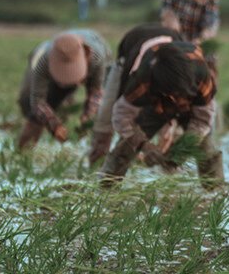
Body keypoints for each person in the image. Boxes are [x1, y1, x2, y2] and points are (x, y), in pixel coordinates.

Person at [88, 24, 222, 187]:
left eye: (177, 95)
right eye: (169, 94)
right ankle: (105, 189)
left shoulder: (201, 73)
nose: (174, 98)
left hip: (189, 100)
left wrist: (183, 147)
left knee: (205, 147)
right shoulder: (143, 79)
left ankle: (215, 191)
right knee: (125, 147)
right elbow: (122, 117)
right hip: (154, 100)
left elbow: (203, 119)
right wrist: (144, 145)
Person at [17, 29, 112, 150]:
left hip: (98, 61)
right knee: (32, 111)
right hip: (51, 73)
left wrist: (88, 117)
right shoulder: (43, 61)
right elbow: (37, 101)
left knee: (103, 114)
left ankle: (101, 155)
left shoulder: (97, 58)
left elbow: (96, 92)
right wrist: (54, 125)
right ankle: (23, 153)